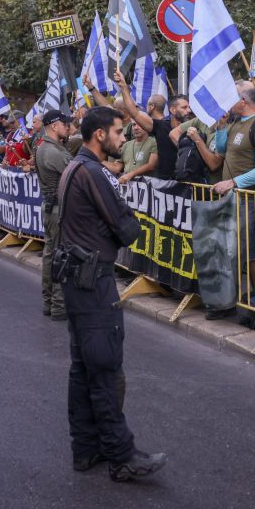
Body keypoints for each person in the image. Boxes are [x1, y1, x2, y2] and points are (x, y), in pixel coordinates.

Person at [57, 106, 166, 482]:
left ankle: (87, 448)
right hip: (93, 283)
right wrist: (122, 224)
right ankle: (121, 456)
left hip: (78, 281)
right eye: (119, 132)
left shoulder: (76, 166)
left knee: (84, 368)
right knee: (104, 369)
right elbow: (127, 229)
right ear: (100, 135)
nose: (124, 137)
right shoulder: (92, 172)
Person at [205, 81, 255, 320]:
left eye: (230, 96)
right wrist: (222, 125)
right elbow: (221, 149)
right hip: (231, 198)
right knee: (227, 250)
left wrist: (233, 182)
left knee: (250, 252)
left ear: (243, 100)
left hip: (249, 199)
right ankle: (227, 302)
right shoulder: (234, 122)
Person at [109, 69, 192, 182]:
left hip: (189, 184)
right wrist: (123, 87)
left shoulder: (192, 130)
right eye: (184, 107)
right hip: (166, 184)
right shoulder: (161, 127)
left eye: (189, 107)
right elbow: (134, 113)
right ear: (172, 110)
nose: (188, 111)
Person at [36, 109, 73, 321]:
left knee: (50, 255)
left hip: (51, 208)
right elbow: (75, 171)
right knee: (60, 257)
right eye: (64, 124)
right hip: (58, 209)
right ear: (54, 125)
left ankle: (49, 302)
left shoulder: (45, 148)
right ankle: (59, 305)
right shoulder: (53, 152)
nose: (67, 127)